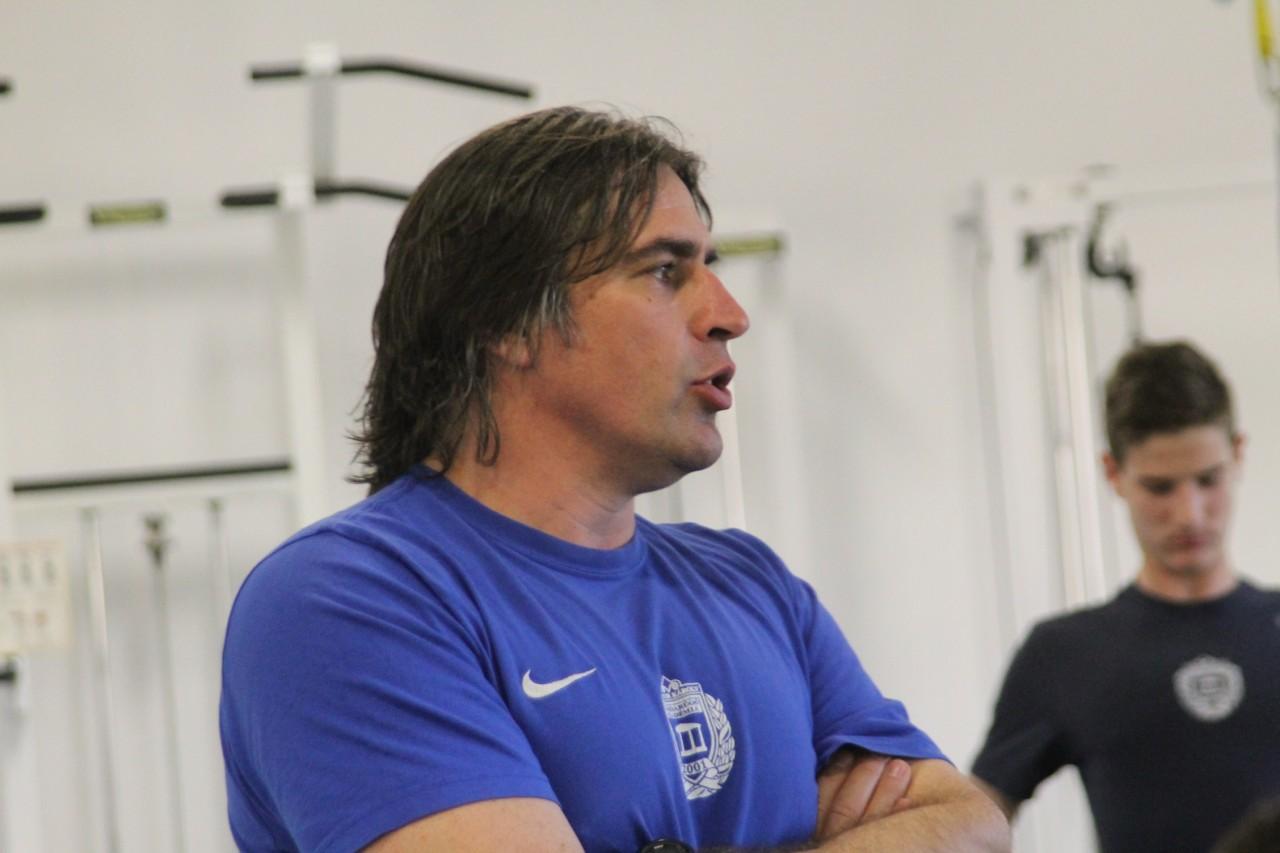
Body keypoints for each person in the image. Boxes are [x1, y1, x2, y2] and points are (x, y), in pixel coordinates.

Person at [219, 106, 1008, 853]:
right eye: (665, 270)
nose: (730, 314)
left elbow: (973, 825)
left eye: (710, 267)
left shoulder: (754, 586)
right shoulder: (347, 598)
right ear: (506, 321)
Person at [971, 340, 1280, 853]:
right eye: (1160, 488)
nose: (1190, 514)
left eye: (1208, 480)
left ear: (1239, 454)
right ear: (1113, 473)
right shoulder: (1064, 653)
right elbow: (973, 823)